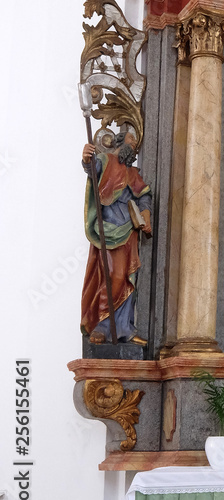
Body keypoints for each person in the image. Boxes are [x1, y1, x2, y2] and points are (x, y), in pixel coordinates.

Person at [81, 131, 151, 344]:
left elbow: (144, 195)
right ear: (120, 142)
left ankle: (124, 328)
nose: (134, 146)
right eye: (131, 140)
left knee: (129, 278)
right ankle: (102, 325)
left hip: (129, 229)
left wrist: (145, 215)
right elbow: (93, 170)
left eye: (136, 144)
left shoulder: (133, 173)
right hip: (109, 227)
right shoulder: (106, 159)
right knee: (114, 276)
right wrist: (86, 159)